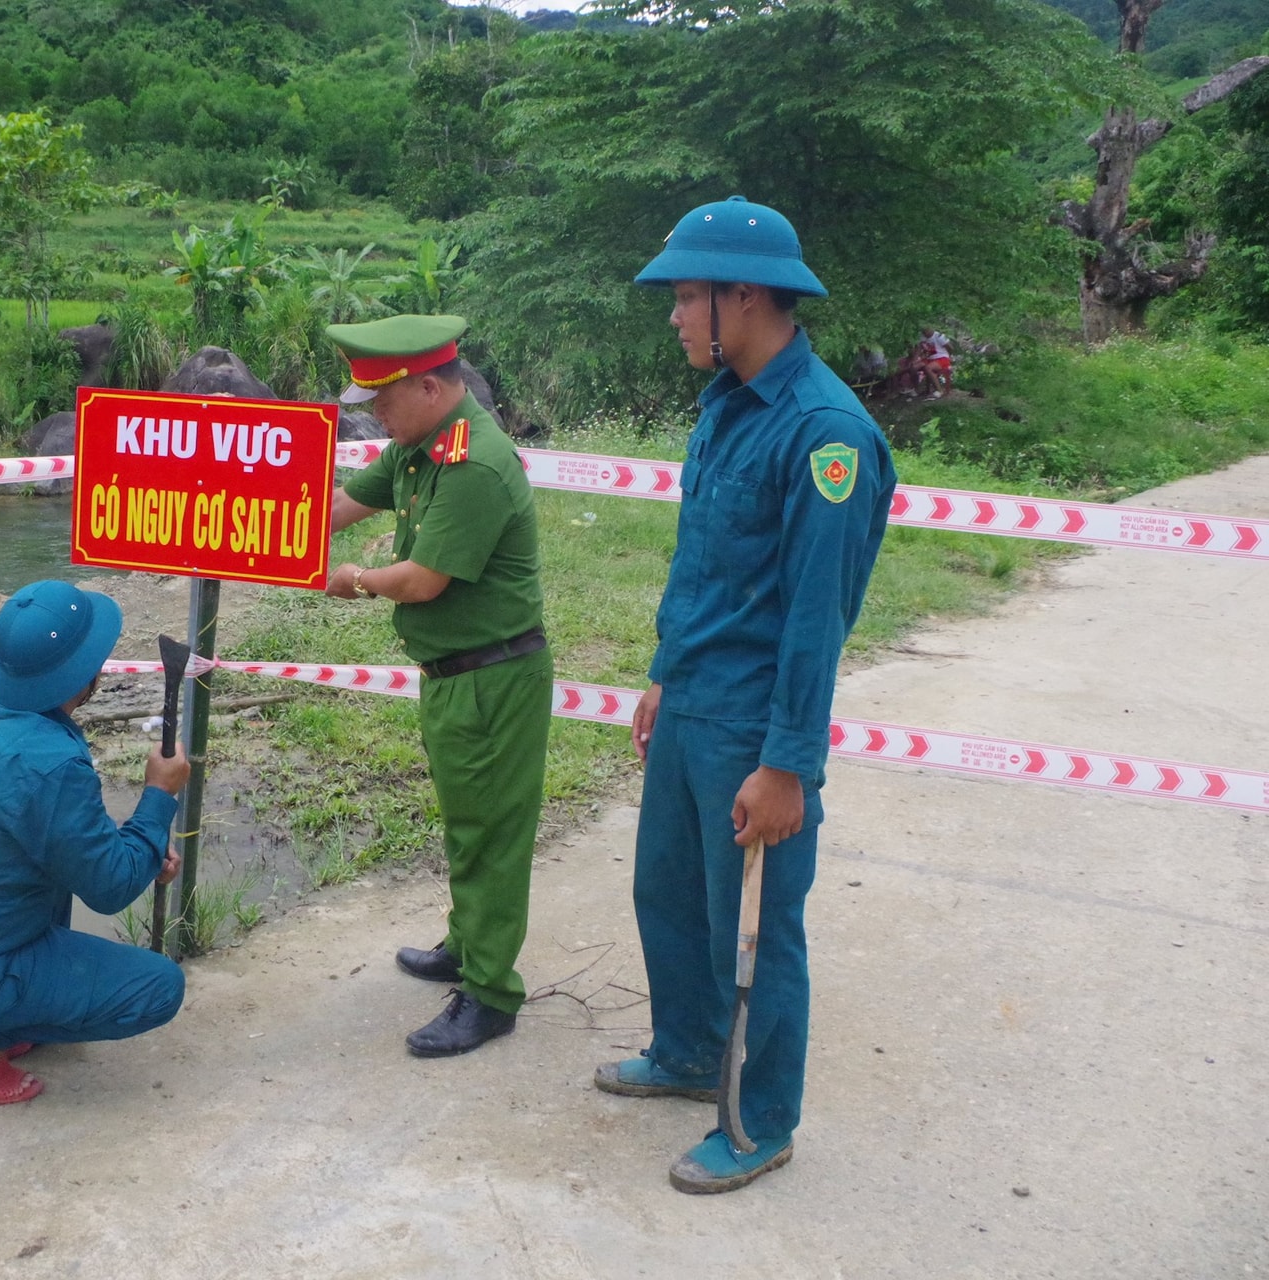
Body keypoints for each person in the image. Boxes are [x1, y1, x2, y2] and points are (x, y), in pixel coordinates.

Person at [595, 197, 895, 1192]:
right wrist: (664, 671)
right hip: (693, 700)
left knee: (756, 935)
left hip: (755, 725)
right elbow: (709, 566)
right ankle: (686, 1051)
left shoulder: (825, 436)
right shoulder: (726, 401)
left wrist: (786, 765)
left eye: (689, 296)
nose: (676, 315)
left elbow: (815, 621)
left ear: (748, 297)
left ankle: (760, 1118)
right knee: (668, 890)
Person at [323, 314, 553, 1058]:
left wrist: (351, 579)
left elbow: (422, 581)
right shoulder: (420, 446)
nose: (376, 415)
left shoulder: (475, 463)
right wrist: (251, 524)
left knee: (491, 833)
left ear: (430, 386)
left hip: (492, 674)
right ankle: (465, 943)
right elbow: (338, 506)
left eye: (384, 400)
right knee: (466, 818)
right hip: (455, 674)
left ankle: (489, 993)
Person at [0, 580, 190, 1104]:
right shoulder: (53, 763)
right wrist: (158, 796)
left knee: (59, 875)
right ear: (80, 675)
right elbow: (109, 890)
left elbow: (51, 831)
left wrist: (141, 844)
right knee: (157, 989)